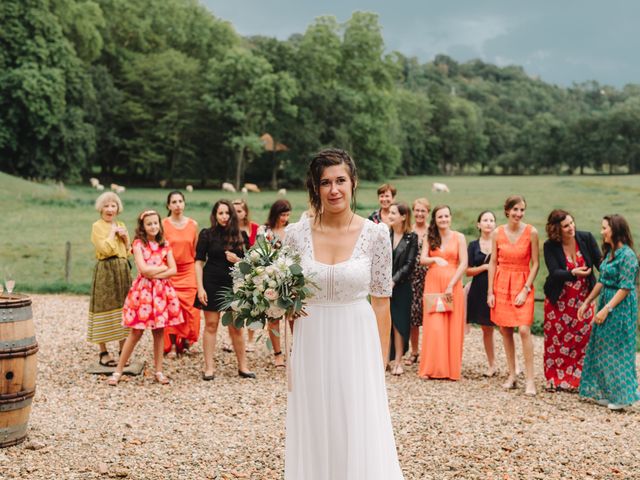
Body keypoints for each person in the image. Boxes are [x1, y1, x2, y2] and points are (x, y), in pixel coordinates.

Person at [284, 148, 403, 479]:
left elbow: (381, 301)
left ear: (353, 183)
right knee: (315, 416)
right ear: (315, 187)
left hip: (357, 337)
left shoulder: (376, 234)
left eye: (340, 180)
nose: (334, 190)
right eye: (325, 182)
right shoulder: (296, 235)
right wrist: (270, 299)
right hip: (311, 338)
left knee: (355, 417)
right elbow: (286, 294)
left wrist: (379, 362)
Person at [107, 210, 184, 386]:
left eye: (156, 223)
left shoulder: (165, 244)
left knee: (159, 332)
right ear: (143, 226)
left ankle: (159, 370)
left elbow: (174, 270)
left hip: (161, 292)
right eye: (149, 224)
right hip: (143, 292)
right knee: (136, 332)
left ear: (160, 224)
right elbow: (143, 269)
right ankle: (118, 370)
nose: (153, 227)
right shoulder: (138, 244)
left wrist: (155, 271)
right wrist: (162, 269)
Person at [578, 214, 639, 410]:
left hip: (619, 307)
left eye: (605, 227)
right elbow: (602, 281)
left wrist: (607, 309)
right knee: (602, 347)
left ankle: (623, 397)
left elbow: (626, 287)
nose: (602, 231)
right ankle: (607, 391)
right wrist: (588, 302)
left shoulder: (628, 255)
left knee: (618, 349)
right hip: (606, 301)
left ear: (615, 229)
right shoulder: (610, 253)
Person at [194, 200, 255, 380]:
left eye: (227, 213)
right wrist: (200, 288)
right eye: (220, 213)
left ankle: (243, 366)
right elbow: (198, 262)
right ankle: (209, 367)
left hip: (233, 285)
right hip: (211, 282)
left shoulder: (241, 235)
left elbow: (250, 264)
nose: (224, 217)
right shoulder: (206, 234)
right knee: (211, 325)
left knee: (236, 327)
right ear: (215, 215)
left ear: (232, 215)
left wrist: (237, 260)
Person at [542, 209, 601, 391]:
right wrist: (572, 273)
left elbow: (600, 263)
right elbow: (554, 272)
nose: (571, 228)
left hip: (584, 298)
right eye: (566, 226)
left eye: (572, 223)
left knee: (583, 339)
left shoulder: (586, 238)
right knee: (556, 341)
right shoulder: (549, 246)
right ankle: (556, 378)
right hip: (559, 300)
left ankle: (579, 379)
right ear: (556, 230)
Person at [487, 195, 539, 396]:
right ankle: (512, 375)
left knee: (524, 330)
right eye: (515, 209)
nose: (519, 213)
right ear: (507, 210)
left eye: (522, 210)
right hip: (502, 283)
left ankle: (530, 380)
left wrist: (526, 288)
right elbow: (493, 262)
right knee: (505, 330)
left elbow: (535, 263)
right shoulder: (497, 233)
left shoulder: (531, 232)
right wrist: (490, 291)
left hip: (522, 282)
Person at [418, 205, 467, 380]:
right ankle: (431, 368)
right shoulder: (430, 238)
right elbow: (422, 259)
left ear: (451, 217)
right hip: (433, 283)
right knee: (434, 326)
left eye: (446, 216)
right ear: (435, 219)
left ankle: (450, 370)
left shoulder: (459, 237)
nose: (444, 219)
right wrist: (434, 258)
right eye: (440, 217)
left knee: (452, 327)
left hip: (452, 285)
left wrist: (452, 284)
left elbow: (464, 263)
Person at [88, 192, 131, 367]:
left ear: (117, 208)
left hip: (122, 269)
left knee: (123, 308)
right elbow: (105, 250)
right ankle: (103, 352)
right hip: (105, 269)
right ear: (101, 208)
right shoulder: (97, 226)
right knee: (103, 306)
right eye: (106, 206)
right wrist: (112, 234)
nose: (110, 209)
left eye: (113, 205)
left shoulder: (121, 224)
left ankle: (123, 351)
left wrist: (126, 238)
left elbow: (128, 251)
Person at [162, 191, 200, 358]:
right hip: (170, 271)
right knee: (171, 307)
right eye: (174, 202)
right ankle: (170, 345)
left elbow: (197, 250)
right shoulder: (163, 225)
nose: (177, 205)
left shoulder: (193, 224)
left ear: (184, 203)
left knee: (191, 309)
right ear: (168, 205)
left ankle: (185, 342)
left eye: (180, 201)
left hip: (188, 270)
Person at [258, 199, 292, 366]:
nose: (285, 218)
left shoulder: (291, 231)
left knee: (293, 315)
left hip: (289, 276)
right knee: (273, 316)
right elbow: (258, 252)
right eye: (282, 214)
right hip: (270, 276)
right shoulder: (264, 231)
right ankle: (278, 353)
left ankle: (295, 349)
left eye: (287, 214)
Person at [466, 211, 498, 377]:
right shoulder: (473, 246)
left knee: (506, 327)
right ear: (478, 224)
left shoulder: (499, 244)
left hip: (497, 289)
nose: (488, 223)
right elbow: (467, 270)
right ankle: (492, 364)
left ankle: (513, 363)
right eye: (485, 220)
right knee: (487, 329)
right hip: (479, 289)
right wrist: (484, 268)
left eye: (491, 220)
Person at [388, 202, 418, 375]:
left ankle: (398, 360)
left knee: (399, 324)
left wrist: (394, 280)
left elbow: (409, 264)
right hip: (383, 285)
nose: (390, 215)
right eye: (390, 212)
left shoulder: (411, 238)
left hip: (401, 287)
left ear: (403, 216)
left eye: (393, 213)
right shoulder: (385, 233)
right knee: (385, 322)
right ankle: (385, 358)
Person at [232, 198, 260, 351]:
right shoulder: (229, 229)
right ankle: (237, 337)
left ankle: (250, 339)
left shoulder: (254, 228)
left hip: (252, 270)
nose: (236, 215)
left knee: (252, 305)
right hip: (234, 270)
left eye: (239, 211)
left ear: (245, 212)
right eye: (234, 211)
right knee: (236, 306)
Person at [406, 198, 430, 366]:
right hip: (412, 278)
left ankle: (429, 352)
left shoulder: (433, 232)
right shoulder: (409, 231)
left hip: (429, 277)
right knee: (413, 317)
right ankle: (414, 351)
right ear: (413, 212)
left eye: (423, 211)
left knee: (429, 315)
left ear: (428, 213)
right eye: (417, 210)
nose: (420, 214)